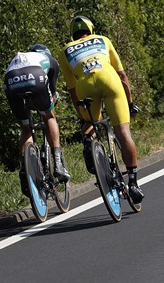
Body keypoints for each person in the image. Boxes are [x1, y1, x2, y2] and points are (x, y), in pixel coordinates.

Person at [58, 16, 144, 204]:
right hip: (110, 81)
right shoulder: (103, 40)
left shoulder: (65, 51)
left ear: (72, 35)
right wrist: (130, 103)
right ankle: (133, 182)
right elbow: (122, 75)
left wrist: (82, 115)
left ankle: (89, 142)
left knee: (89, 124)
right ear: (91, 30)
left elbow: (72, 90)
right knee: (123, 132)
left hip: (85, 87)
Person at [4, 44, 71, 197]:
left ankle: (24, 167)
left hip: (11, 78)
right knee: (49, 117)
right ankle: (58, 162)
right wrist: (51, 102)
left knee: (26, 129)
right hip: (35, 76)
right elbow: (52, 95)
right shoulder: (50, 60)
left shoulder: (22, 57)